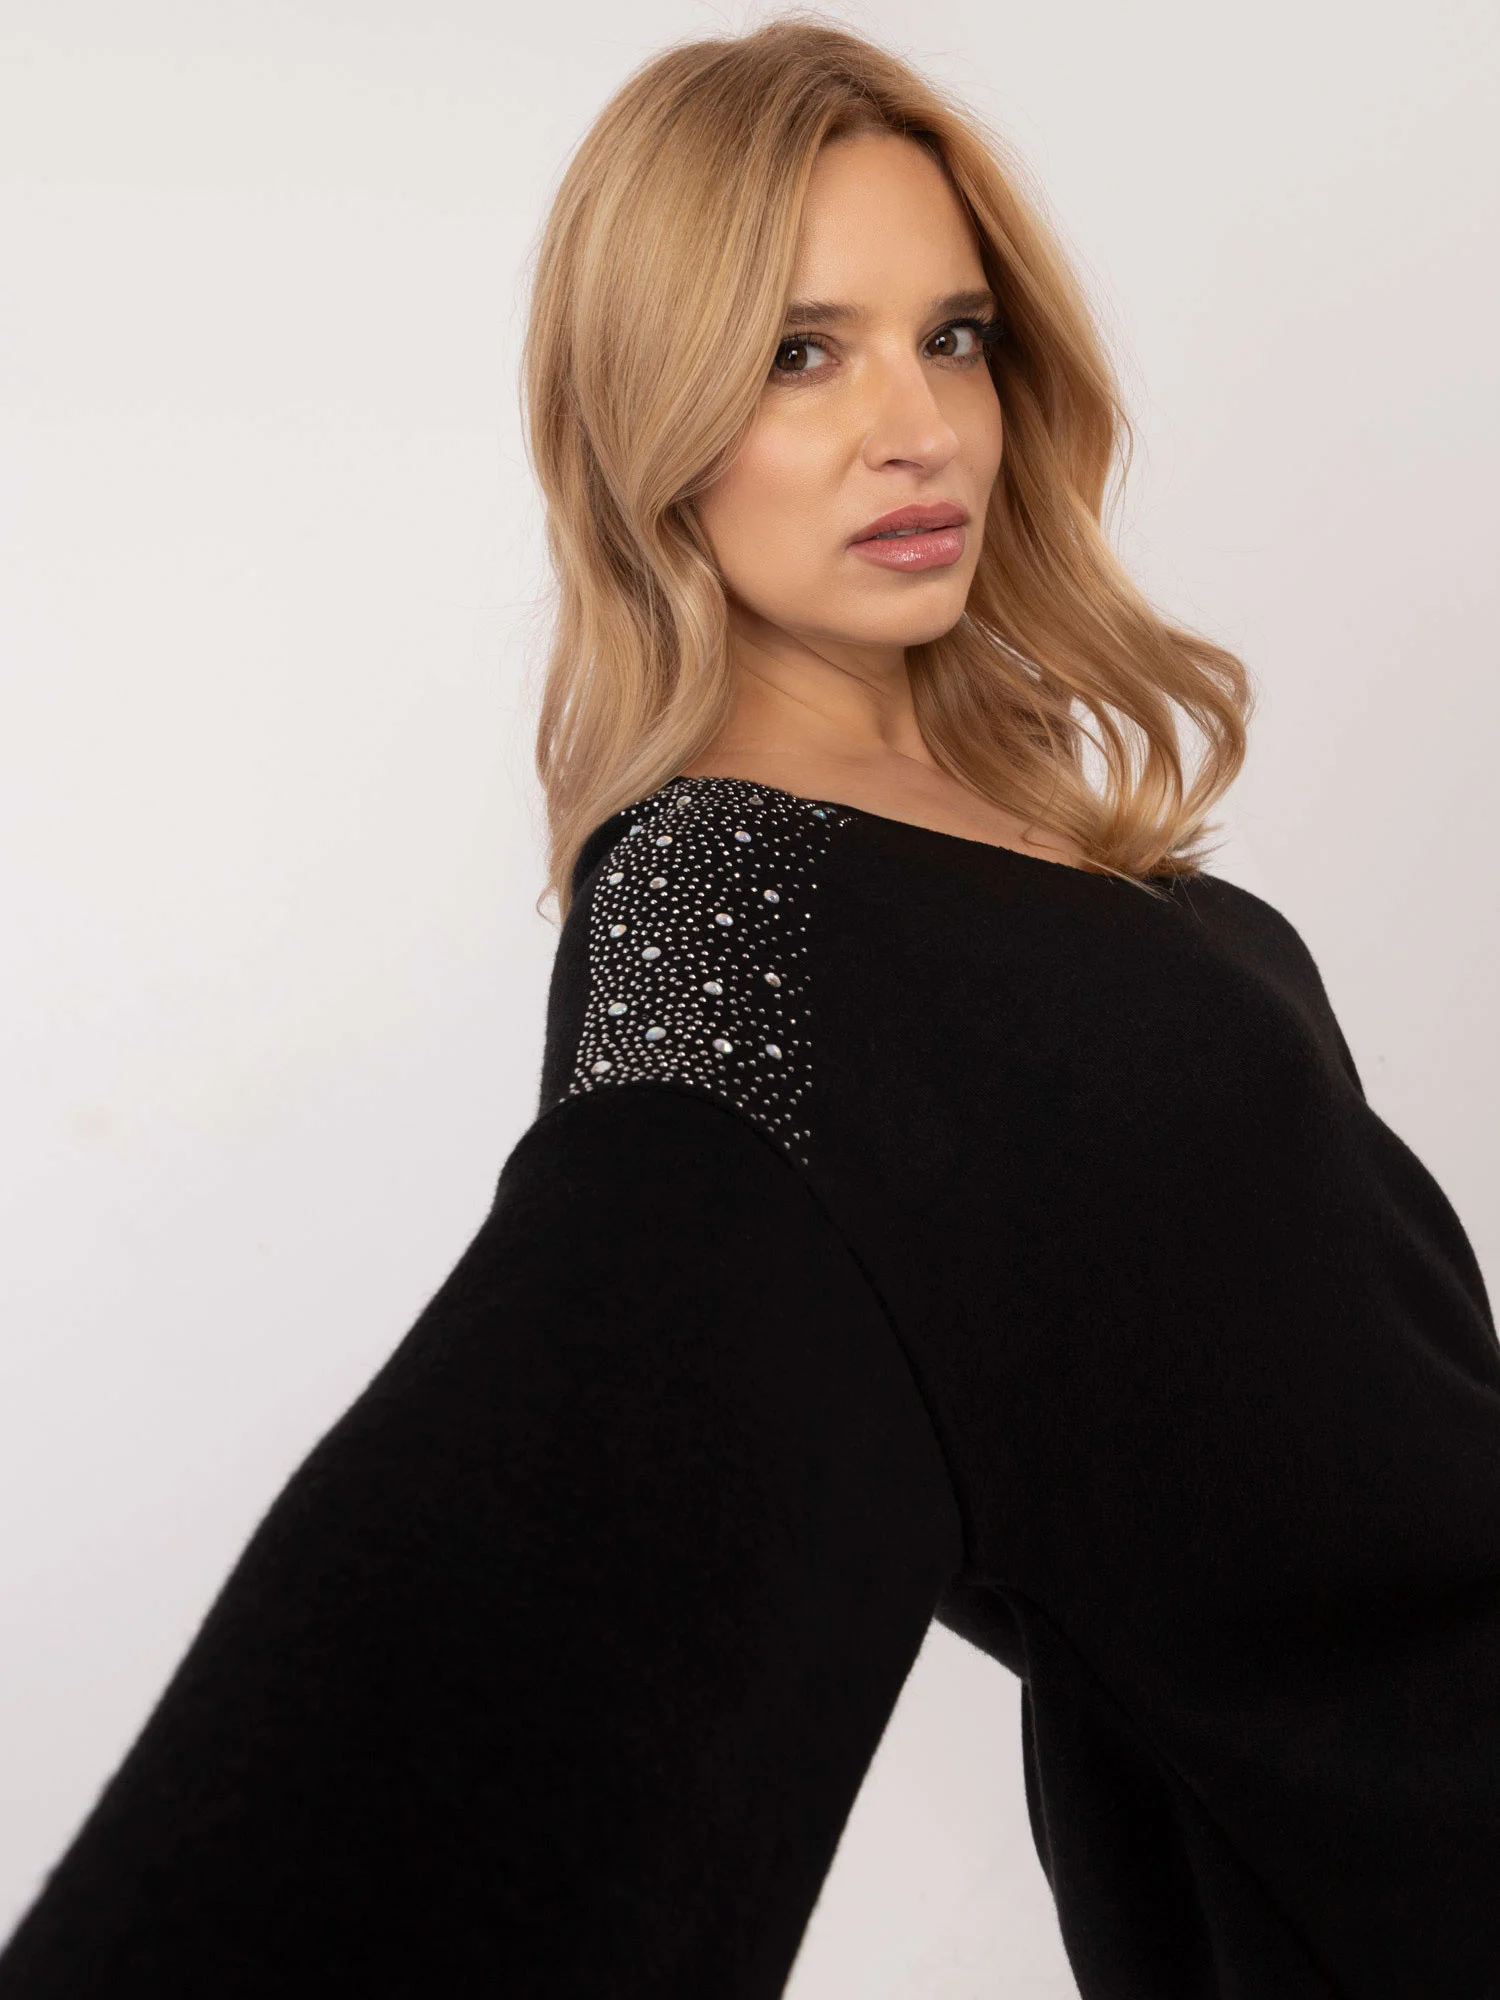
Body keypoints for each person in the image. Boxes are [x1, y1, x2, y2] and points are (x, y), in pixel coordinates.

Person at [2, 17, 1496, 1999]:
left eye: (952, 336)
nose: (921, 427)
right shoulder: (732, 929)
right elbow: (539, 1566)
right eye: (802, 351)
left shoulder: (1001, 809)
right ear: (648, 410)